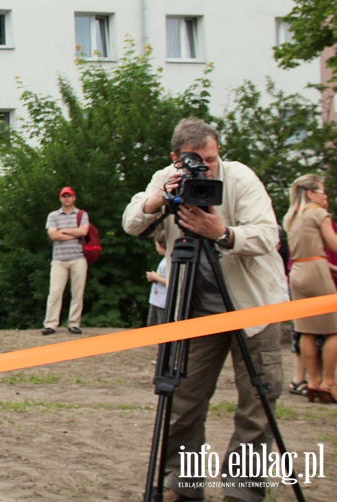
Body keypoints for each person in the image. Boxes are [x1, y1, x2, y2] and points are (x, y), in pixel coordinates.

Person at [122, 117, 286, 502]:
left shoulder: (241, 179)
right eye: (196, 161)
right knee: (184, 402)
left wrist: (223, 233)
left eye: (211, 159)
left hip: (253, 307)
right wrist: (160, 197)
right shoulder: (167, 177)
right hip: (195, 308)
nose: (205, 168)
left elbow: (268, 234)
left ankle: (243, 491)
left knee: (257, 403)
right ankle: (183, 484)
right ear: (176, 158)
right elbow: (132, 222)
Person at [282, 174, 337, 403]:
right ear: (311, 193)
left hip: (298, 271)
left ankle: (312, 382)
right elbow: (332, 243)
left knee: (306, 329)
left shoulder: (291, 217)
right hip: (316, 269)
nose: (325, 197)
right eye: (322, 192)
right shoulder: (317, 213)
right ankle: (328, 383)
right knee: (334, 328)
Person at [42, 186, 89, 335]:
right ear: (60, 198)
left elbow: (84, 231)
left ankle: (74, 323)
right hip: (59, 259)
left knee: (77, 292)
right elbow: (53, 235)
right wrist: (74, 234)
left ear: (74, 197)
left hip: (78, 258)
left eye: (69, 196)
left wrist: (63, 231)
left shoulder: (82, 214)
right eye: (64, 196)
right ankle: (50, 324)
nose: (67, 199)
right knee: (55, 292)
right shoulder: (53, 215)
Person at [146, 231, 168, 326]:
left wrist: (155, 277)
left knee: (161, 325)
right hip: (156, 300)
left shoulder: (168, 262)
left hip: (163, 302)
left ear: (162, 245)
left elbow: (169, 282)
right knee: (152, 324)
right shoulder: (164, 260)